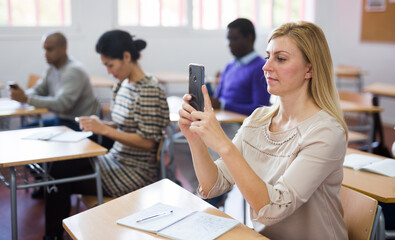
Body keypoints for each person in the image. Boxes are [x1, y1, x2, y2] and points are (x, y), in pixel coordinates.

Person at [178, 21, 349, 239]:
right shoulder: (259, 119)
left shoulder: (326, 132)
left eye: (281, 58)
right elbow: (214, 185)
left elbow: (274, 208)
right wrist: (195, 139)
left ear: (310, 69)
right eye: (268, 56)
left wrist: (224, 145)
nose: (266, 66)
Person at [43, 30, 170, 240]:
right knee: (56, 168)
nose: (109, 71)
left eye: (110, 65)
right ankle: (54, 236)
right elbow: (125, 124)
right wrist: (101, 124)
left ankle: (53, 237)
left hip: (133, 172)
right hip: (114, 160)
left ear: (127, 57)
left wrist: (105, 129)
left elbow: (148, 142)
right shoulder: (123, 84)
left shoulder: (148, 89)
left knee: (57, 175)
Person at [9, 31, 97, 131]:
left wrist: (26, 99)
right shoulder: (51, 68)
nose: (45, 53)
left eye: (49, 49)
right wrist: (22, 94)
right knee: (21, 131)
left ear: (63, 48)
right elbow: (40, 90)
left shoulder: (74, 71)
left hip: (77, 125)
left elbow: (61, 104)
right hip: (61, 121)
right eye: (44, 49)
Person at [211, 18, 271, 116]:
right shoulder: (229, 66)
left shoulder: (261, 68)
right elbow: (216, 100)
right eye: (228, 39)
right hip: (220, 119)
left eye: (234, 39)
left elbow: (261, 109)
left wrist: (224, 106)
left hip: (239, 124)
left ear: (249, 38)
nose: (229, 44)